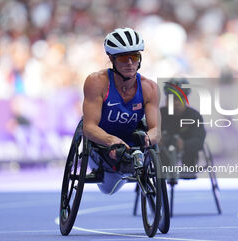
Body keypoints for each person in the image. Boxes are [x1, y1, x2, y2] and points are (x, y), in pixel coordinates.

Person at [82, 27, 161, 194]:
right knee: (108, 189)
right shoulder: (96, 82)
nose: (130, 63)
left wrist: (148, 138)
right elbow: (88, 127)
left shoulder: (150, 88)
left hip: (133, 146)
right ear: (112, 59)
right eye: (124, 58)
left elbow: (156, 130)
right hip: (102, 145)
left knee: (150, 147)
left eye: (135, 57)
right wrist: (111, 140)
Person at [160, 79, 206, 173]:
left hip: (188, 155)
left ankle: (188, 168)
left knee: (192, 148)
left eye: (180, 98)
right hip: (163, 154)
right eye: (173, 98)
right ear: (166, 100)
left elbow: (200, 140)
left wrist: (184, 144)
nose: (176, 103)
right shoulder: (159, 114)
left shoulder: (194, 116)